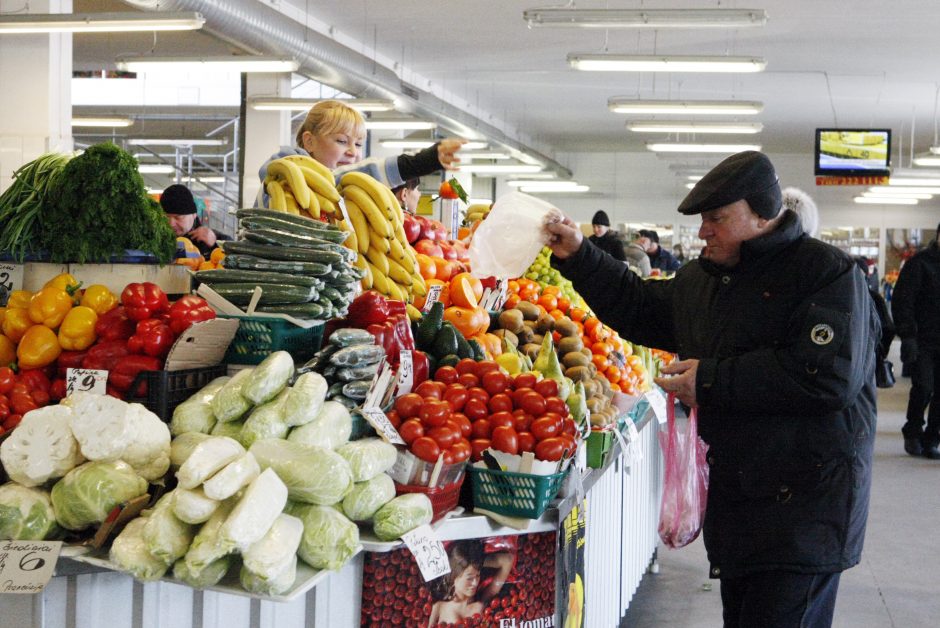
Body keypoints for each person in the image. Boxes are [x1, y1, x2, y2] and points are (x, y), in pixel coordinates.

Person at [545, 151, 878, 628]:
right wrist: (581, 256)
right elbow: (642, 306)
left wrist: (711, 380)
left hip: (806, 509)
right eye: (703, 219)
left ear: (763, 213)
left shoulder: (827, 274)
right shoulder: (707, 279)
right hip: (741, 501)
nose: (704, 230)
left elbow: (826, 376)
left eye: (717, 218)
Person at [259, 99, 464, 194]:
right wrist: (421, 162)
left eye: (358, 144)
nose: (353, 152)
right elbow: (335, 179)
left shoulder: (338, 192)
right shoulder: (283, 178)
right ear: (309, 141)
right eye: (341, 141)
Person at [891, 223, 940, 458]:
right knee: (924, 387)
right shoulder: (920, 264)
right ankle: (912, 430)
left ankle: (932, 437)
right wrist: (907, 335)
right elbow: (903, 301)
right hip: (923, 340)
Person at [428, 539, 514, 627]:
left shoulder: (482, 602)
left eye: (477, 575)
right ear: (454, 576)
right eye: (469, 578)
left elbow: (508, 560)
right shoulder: (439, 606)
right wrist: (459, 563)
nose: (475, 583)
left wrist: (475, 562)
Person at [159, 184, 229, 259]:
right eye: (166, 217)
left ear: (194, 214)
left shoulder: (213, 238)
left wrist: (215, 244)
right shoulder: (155, 238)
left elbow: (236, 257)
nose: (171, 224)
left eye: (178, 217)